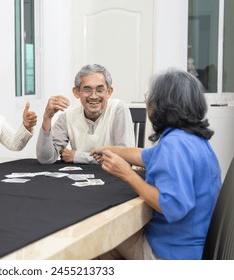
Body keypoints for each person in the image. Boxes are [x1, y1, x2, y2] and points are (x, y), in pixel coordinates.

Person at [91, 68, 222, 260]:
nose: (147, 102)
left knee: (99, 238)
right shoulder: (191, 138)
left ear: (163, 105)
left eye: (149, 97)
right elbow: (144, 155)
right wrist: (110, 148)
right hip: (192, 245)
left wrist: (127, 173)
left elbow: (172, 206)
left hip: (171, 254)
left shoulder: (174, 145)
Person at [36, 64, 135, 164]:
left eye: (99, 90)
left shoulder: (118, 108)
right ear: (76, 92)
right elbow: (45, 159)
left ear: (109, 92)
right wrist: (47, 118)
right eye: (87, 90)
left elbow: (125, 157)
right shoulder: (67, 117)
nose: (93, 96)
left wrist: (78, 156)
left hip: (115, 176)